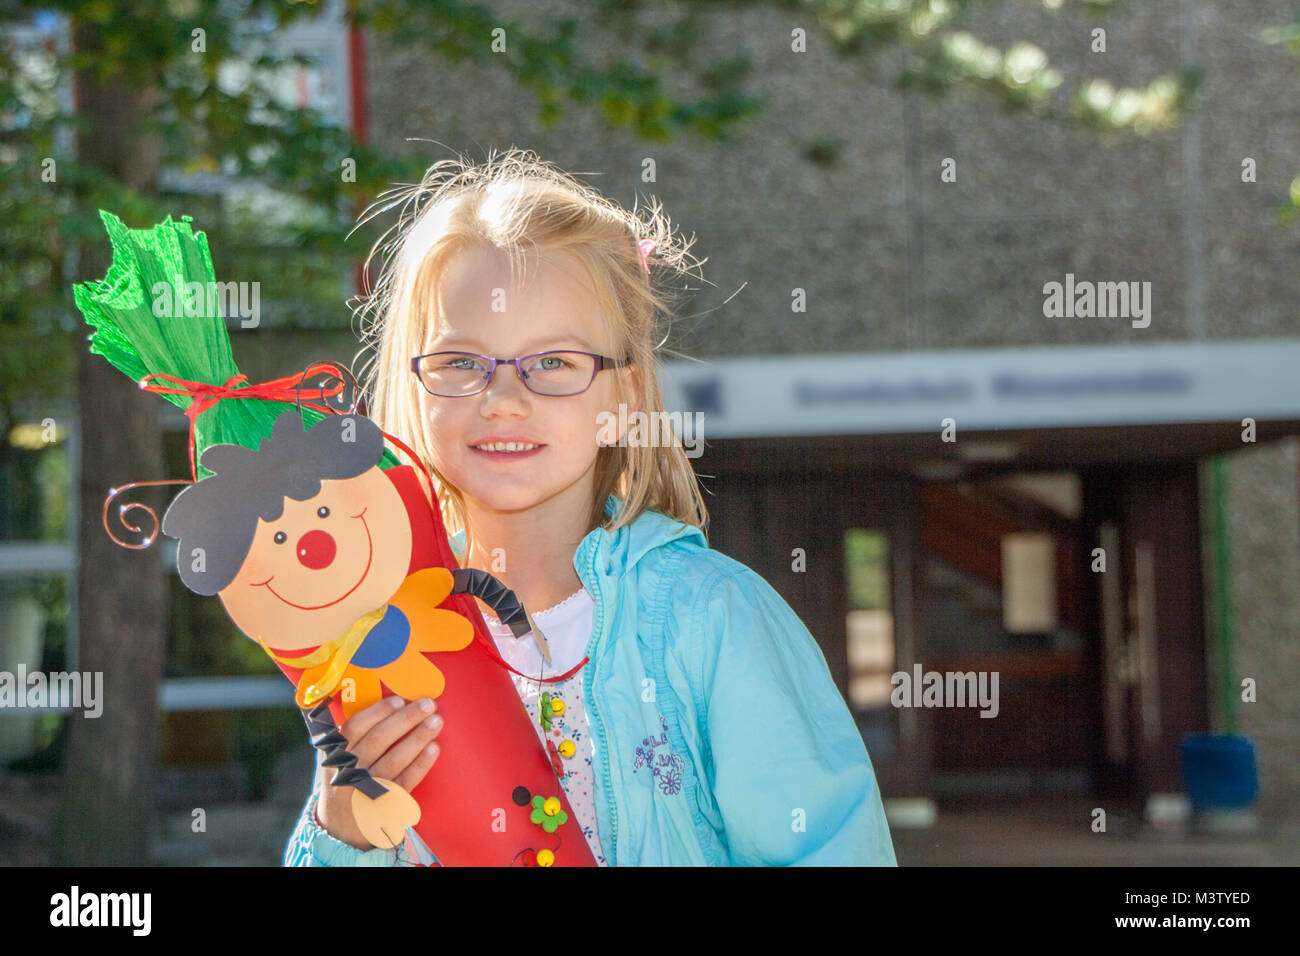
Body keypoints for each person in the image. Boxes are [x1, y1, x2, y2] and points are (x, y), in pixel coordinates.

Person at [284, 148, 897, 866]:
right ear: (411, 387)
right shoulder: (382, 638)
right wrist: (343, 830)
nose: (504, 399)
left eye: (553, 363)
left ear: (624, 396)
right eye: (459, 362)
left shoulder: (713, 622)